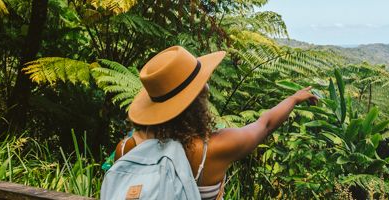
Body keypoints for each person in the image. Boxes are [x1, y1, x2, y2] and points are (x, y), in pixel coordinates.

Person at [101, 46, 317, 199]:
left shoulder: (126, 147)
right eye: (202, 83)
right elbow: (265, 124)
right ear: (197, 98)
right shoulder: (213, 149)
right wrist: (293, 98)